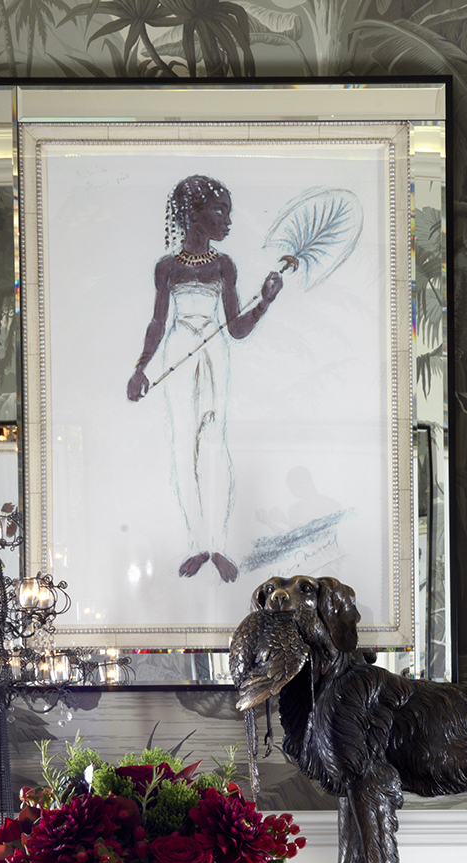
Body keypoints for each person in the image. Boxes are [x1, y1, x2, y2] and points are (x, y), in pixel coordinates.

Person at [127, 175, 285, 583]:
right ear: (193, 216)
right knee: (185, 446)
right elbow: (158, 322)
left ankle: (218, 545)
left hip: (215, 354)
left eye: (228, 212)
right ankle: (198, 544)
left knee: (214, 446)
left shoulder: (224, 265)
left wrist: (265, 302)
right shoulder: (167, 267)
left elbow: (234, 329)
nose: (228, 221)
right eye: (220, 212)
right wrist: (141, 367)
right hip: (179, 350)